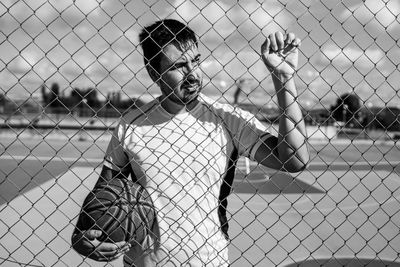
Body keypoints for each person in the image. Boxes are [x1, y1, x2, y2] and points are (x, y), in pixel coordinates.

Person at [71, 19, 309, 266]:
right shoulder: (131, 126)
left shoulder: (228, 119)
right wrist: (81, 237)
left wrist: (283, 78)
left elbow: (294, 160)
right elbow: (101, 197)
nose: (192, 74)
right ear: (155, 72)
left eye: (195, 61)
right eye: (179, 66)